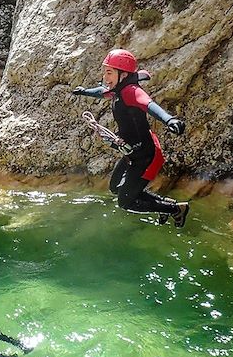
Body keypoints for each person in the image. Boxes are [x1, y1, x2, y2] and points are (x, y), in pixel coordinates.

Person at [73, 49, 190, 227]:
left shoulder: (131, 91)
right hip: (132, 154)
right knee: (115, 188)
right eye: (105, 72)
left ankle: (175, 210)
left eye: (109, 72)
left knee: (125, 202)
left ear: (123, 74)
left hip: (145, 157)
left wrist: (169, 119)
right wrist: (84, 92)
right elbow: (101, 91)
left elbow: (149, 105)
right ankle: (167, 205)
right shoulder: (117, 89)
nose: (105, 77)